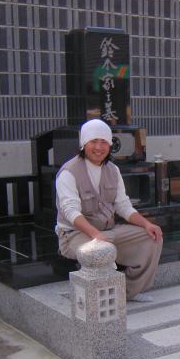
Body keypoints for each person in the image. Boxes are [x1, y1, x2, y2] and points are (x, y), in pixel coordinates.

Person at [55, 119, 163, 301]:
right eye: (93, 141)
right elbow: (70, 211)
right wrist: (96, 235)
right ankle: (93, 298)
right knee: (98, 251)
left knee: (151, 237)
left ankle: (128, 292)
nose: (99, 147)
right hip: (76, 236)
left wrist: (147, 224)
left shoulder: (113, 170)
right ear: (84, 144)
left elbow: (123, 205)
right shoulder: (68, 172)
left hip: (108, 232)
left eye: (104, 142)